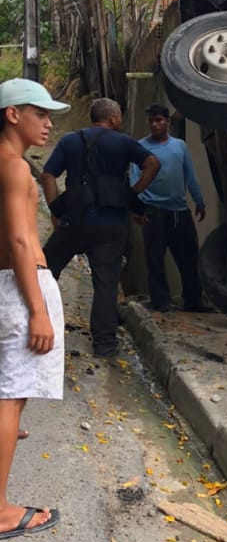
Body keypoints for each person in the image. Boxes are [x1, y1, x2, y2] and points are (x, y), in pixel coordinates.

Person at [40, 98, 159, 358]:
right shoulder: (124, 142)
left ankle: (35, 329)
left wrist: (54, 211)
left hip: (73, 222)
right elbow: (153, 163)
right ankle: (104, 345)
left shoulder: (70, 141)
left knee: (44, 273)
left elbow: (48, 176)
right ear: (114, 118)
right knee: (106, 285)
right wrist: (131, 194)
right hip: (111, 225)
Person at [0, 79, 67, 540]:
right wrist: (38, 310)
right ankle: (1, 511)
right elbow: (22, 240)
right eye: (38, 113)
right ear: (11, 115)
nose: (47, 123)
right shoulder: (16, 168)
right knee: (11, 396)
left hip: (3, 283)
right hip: (19, 287)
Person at [134, 103, 206, 312]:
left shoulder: (179, 146)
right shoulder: (141, 148)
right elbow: (134, 178)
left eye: (159, 120)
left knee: (189, 258)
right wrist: (137, 208)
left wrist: (199, 200)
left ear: (167, 121)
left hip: (180, 211)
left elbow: (189, 175)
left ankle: (194, 301)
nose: (155, 125)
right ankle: (161, 301)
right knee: (155, 259)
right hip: (152, 211)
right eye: (151, 121)